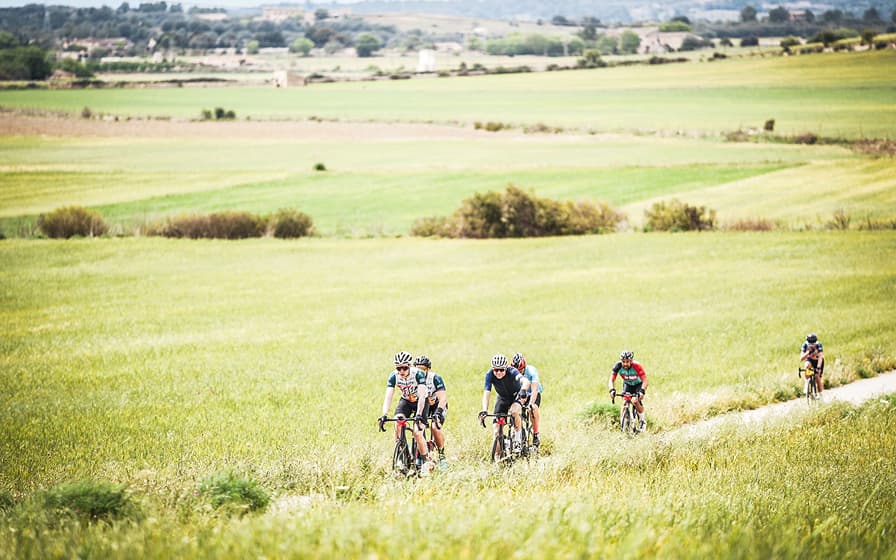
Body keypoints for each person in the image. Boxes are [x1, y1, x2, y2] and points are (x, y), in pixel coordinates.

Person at [378, 351, 433, 473]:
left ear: (410, 366)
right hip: (406, 401)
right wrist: (384, 414)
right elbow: (388, 396)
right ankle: (401, 455)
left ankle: (425, 461)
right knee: (398, 421)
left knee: (418, 432)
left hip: (421, 401)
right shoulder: (394, 376)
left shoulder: (418, 374)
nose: (401, 371)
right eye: (398, 368)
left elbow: (422, 396)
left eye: (404, 368)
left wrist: (419, 414)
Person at [479, 354, 531, 453]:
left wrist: (523, 389)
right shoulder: (489, 375)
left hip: (517, 395)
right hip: (503, 398)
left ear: (506, 368)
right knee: (496, 431)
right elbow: (486, 393)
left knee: (514, 411)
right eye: (496, 370)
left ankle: (518, 438)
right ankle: (499, 458)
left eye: (501, 370)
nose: (498, 372)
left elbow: (526, 381)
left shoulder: (512, 371)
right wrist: (484, 410)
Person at [414, 355, 449, 470]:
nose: (420, 372)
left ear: (428, 369)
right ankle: (421, 454)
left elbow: (443, 398)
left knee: (434, 427)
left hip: (437, 406)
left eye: (423, 369)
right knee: (419, 427)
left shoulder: (435, 378)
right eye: (417, 368)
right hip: (424, 406)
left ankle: (442, 455)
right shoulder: (413, 377)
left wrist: (438, 413)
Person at [608, 350, 649, 431]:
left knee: (635, 401)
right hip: (628, 384)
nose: (625, 364)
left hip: (638, 385)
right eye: (623, 361)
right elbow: (611, 380)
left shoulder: (636, 366)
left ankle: (642, 421)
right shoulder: (618, 366)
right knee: (624, 402)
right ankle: (622, 425)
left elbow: (645, 381)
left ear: (631, 361)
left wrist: (642, 391)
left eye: (627, 362)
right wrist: (612, 390)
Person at [510, 352, 543, 448]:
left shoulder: (531, 371)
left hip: (532, 392)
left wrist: (531, 403)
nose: (519, 373)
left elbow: (534, 389)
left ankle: (536, 433)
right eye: (517, 371)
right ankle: (516, 432)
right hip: (521, 393)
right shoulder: (511, 371)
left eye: (521, 370)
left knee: (532, 408)